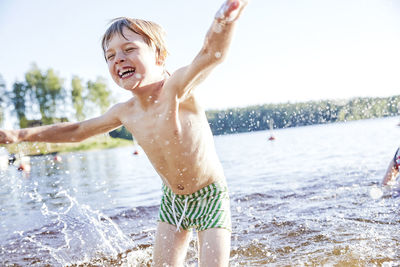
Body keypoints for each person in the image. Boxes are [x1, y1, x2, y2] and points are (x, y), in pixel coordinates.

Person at [0, 0, 248, 266]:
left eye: (129, 49)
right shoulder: (124, 112)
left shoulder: (175, 89)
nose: (118, 58)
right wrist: (19, 135)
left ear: (159, 57)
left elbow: (211, 55)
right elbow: (77, 131)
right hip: (173, 201)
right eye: (110, 56)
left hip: (210, 196)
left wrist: (223, 21)